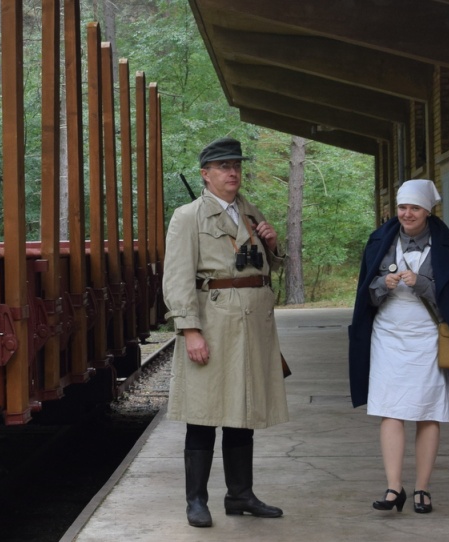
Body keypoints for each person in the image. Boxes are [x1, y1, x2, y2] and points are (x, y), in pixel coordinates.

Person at [162, 137, 290, 528]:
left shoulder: (250, 211)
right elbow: (178, 277)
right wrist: (190, 331)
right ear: (206, 175)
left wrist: (273, 244)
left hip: (253, 326)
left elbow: (269, 266)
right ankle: (196, 501)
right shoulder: (187, 217)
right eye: (222, 167)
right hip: (213, 323)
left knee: (243, 411)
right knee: (203, 413)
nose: (232, 172)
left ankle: (240, 495)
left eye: (235, 165)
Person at [348, 179, 449, 514]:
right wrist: (384, 283)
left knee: (427, 412)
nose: (407, 214)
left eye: (414, 208)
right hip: (387, 335)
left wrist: (424, 284)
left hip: (429, 336)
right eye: (402, 207)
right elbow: (364, 294)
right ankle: (392, 487)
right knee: (390, 409)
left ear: (428, 210)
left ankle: (422, 489)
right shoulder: (379, 241)